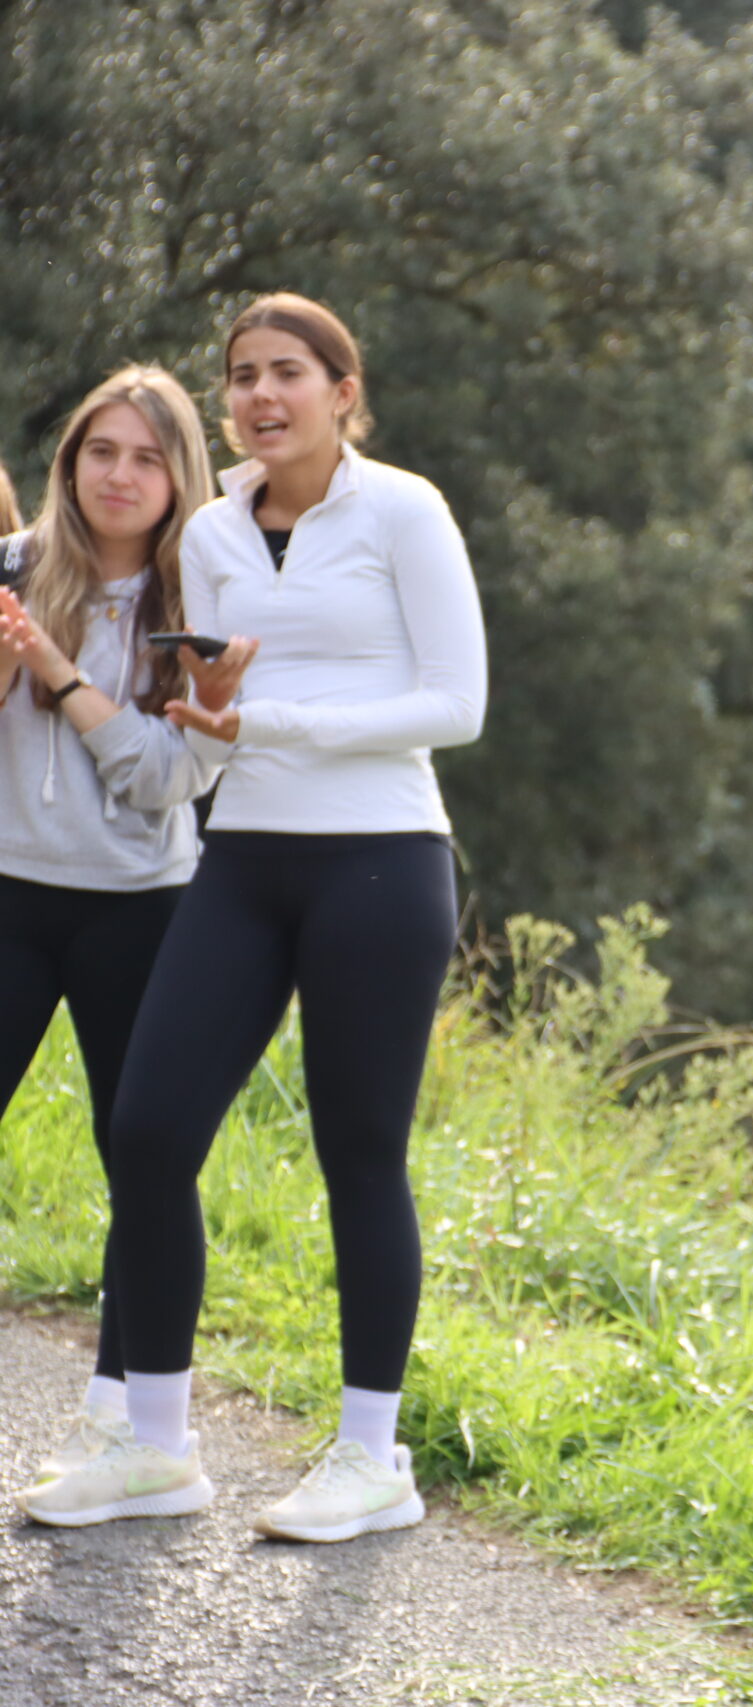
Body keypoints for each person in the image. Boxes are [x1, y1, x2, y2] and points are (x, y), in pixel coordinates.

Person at [24, 293, 486, 1537]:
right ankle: (155, 1446)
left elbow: (458, 705)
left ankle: (372, 1459)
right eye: (241, 375)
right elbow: (201, 710)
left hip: (381, 860)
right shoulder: (214, 533)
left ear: (344, 391)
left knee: (359, 1153)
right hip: (241, 862)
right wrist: (215, 716)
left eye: (289, 372)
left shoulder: (404, 510)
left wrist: (265, 721)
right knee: (150, 1131)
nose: (262, 395)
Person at [0, 367, 218, 1494]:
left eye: (146, 457)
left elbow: (168, 779)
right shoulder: (12, 570)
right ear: (70, 460)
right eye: (101, 451)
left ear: (180, 477)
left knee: (144, 1160)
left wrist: (55, 669)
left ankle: (126, 1418)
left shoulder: (205, 601)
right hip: (9, 893)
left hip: (144, 908)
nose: (119, 476)